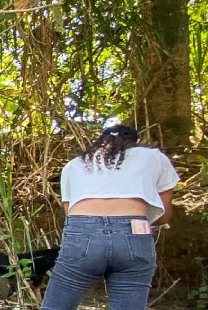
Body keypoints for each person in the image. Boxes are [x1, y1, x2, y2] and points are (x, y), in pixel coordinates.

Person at [41, 125, 181, 309]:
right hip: (134, 233)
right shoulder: (154, 157)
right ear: (135, 142)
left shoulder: (74, 164)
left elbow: (71, 215)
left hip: (83, 233)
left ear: (100, 142)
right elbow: (164, 214)